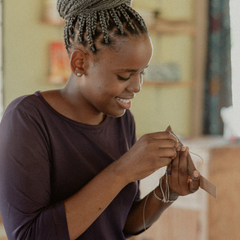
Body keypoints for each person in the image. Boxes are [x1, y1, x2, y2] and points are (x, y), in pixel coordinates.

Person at [0, 0, 200, 239]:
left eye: (142, 73)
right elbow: (28, 236)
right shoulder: (28, 119)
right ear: (79, 63)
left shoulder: (123, 121)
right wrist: (122, 171)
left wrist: (167, 191)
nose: (136, 86)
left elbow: (121, 223)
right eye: (124, 75)